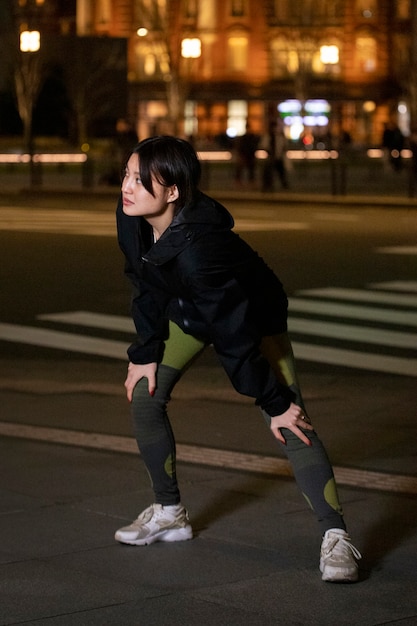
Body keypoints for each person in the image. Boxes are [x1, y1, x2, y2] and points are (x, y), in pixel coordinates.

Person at [115, 136, 361, 582]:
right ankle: (170, 512)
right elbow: (143, 281)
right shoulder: (132, 215)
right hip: (189, 312)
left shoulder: (201, 250)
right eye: (126, 175)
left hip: (253, 319)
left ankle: (336, 537)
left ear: (173, 191)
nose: (126, 188)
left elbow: (233, 336)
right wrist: (146, 352)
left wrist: (272, 401)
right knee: (144, 393)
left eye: (138, 179)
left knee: (291, 419)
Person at [262, 120, 289, 191]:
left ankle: (284, 185)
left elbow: (283, 146)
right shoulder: (269, 136)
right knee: (270, 173)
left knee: (281, 173)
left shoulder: (279, 136)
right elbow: (265, 147)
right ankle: (269, 186)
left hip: (278, 157)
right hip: (272, 158)